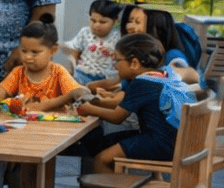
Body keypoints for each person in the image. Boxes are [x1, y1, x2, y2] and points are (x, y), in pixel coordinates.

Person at [79, 34, 192, 172]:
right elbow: (125, 104)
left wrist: (89, 109)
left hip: (160, 144)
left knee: (102, 158)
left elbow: (117, 117)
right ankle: (117, 186)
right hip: (175, 141)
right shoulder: (160, 75)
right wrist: (99, 103)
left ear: (134, 63)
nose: (115, 65)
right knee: (105, 142)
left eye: (117, 60)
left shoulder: (141, 83)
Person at [0, 16, 87, 112]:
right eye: (24, 51)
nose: (28, 57)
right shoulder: (18, 72)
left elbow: (76, 92)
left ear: (53, 50)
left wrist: (72, 95)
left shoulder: (58, 72)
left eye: (35, 52)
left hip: (54, 129)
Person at [65, 0, 122, 86]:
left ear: (115, 21)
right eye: (93, 20)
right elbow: (75, 50)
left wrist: (112, 53)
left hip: (106, 77)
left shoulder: (118, 38)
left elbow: (121, 59)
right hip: (82, 72)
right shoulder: (85, 32)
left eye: (102, 22)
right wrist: (72, 66)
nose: (96, 25)